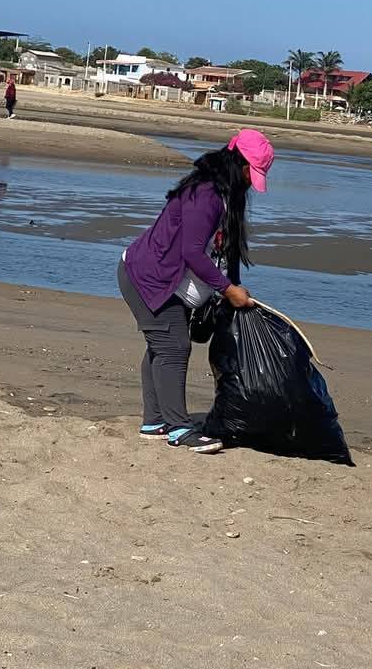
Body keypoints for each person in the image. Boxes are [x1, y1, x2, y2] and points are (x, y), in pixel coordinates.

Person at [117, 129, 275, 454]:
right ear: (240, 163)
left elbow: (228, 249)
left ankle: (154, 422)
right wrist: (227, 289)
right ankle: (178, 428)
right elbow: (191, 252)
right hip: (148, 277)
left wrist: (232, 286)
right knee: (174, 346)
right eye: (252, 172)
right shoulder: (205, 194)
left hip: (172, 280)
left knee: (162, 345)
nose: (252, 181)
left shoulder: (230, 193)